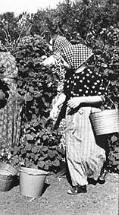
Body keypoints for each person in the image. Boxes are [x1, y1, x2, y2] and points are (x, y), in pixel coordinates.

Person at [45, 35, 107, 195]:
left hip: (88, 115)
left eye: (65, 61)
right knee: (72, 149)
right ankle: (79, 183)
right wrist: (56, 107)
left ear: (75, 60)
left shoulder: (92, 75)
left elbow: (101, 97)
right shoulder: (70, 76)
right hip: (72, 116)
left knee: (91, 148)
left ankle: (97, 171)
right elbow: (65, 94)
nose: (63, 64)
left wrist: (80, 100)